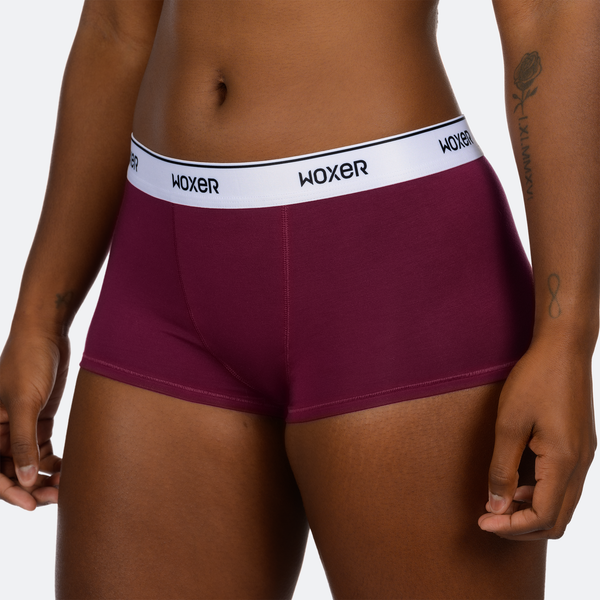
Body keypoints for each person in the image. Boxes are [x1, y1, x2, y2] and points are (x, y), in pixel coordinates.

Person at [0, 1, 598, 598]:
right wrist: (38, 318)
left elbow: (548, 15)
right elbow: (116, 26)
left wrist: (568, 338)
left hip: (391, 260)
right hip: (159, 266)